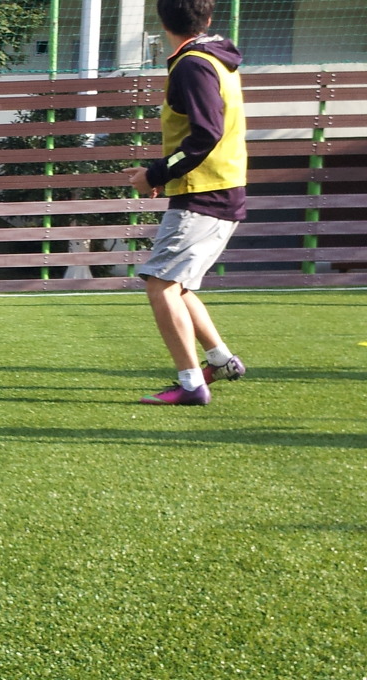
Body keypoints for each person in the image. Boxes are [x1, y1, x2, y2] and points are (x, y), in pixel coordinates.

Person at [126, 0, 247, 406]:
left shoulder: (192, 65)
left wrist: (156, 174)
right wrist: (164, 173)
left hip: (205, 193)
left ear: (161, 21)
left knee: (161, 285)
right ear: (208, 19)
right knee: (177, 284)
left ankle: (192, 384)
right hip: (216, 188)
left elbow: (206, 134)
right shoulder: (214, 59)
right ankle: (222, 360)